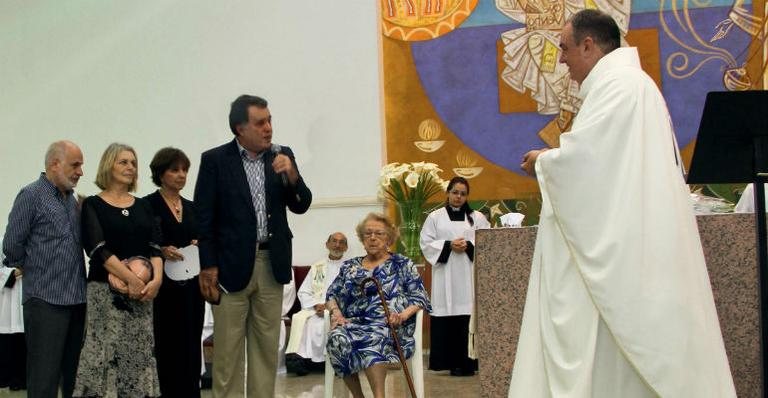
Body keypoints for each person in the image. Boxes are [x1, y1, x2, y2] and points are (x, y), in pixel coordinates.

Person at [513, 9, 736, 397]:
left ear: (589, 44)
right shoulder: (626, 85)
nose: (561, 59)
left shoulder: (620, 87)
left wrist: (545, 161)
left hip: (628, 250)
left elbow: (590, 165)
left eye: (565, 49)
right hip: (632, 239)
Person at [194, 94, 312, 397]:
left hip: (271, 264)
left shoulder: (282, 155)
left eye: (270, 120)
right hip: (229, 267)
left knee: (265, 351)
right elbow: (203, 219)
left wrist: (292, 175)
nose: (268, 128)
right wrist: (208, 266)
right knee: (228, 354)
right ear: (239, 128)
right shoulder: (215, 161)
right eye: (260, 123)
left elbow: (301, 205)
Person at [73, 143, 163, 397]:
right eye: (123, 162)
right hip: (105, 294)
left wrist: (156, 281)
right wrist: (130, 279)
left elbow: (155, 247)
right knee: (104, 352)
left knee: (139, 353)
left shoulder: (145, 205)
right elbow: (97, 248)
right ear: (108, 165)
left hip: (142, 296)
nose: (130, 167)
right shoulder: (93, 204)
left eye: (133, 163)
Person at [2, 140, 86, 398]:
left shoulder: (73, 201)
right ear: (54, 164)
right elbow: (12, 245)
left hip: (77, 300)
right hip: (45, 300)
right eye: (75, 165)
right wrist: (36, 269)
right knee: (44, 377)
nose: (80, 172)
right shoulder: (31, 195)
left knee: (74, 375)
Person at [325, 213, 430, 398]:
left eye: (379, 234)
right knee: (336, 338)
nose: (372, 238)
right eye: (368, 234)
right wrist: (336, 313)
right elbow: (332, 294)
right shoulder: (350, 266)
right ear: (362, 239)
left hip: (391, 327)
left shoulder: (402, 264)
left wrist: (402, 315)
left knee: (372, 337)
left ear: (389, 238)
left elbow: (419, 297)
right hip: (354, 323)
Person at [144, 147, 204, 397]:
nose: (181, 175)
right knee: (167, 345)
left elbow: (204, 236)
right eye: (174, 170)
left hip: (191, 286)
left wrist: (198, 244)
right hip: (164, 288)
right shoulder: (147, 205)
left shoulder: (193, 207)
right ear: (160, 173)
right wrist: (160, 249)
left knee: (191, 343)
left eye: (185, 170)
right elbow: (142, 242)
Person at [419, 176, 489, 376]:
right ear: (448, 193)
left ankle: (469, 363)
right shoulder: (435, 217)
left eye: (463, 194)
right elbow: (426, 243)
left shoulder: (477, 218)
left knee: (468, 316)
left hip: (468, 275)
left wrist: (469, 245)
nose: (458, 197)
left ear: (467, 196)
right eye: (455, 192)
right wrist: (449, 245)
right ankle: (448, 362)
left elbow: (487, 240)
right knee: (447, 315)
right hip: (445, 276)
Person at [285, 232, 349, 375]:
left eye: (341, 242)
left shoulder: (350, 268)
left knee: (325, 323)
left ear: (346, 247)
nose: (337, 245)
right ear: (327, 244)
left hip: (338, 310)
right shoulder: (317, 267)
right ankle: (301, 361)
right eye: (334, 241)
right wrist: (315, 305)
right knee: (303, 319)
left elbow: (351, 295)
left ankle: (333, 362)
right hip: (315, 309)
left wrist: (330, 306)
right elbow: (303, 292)